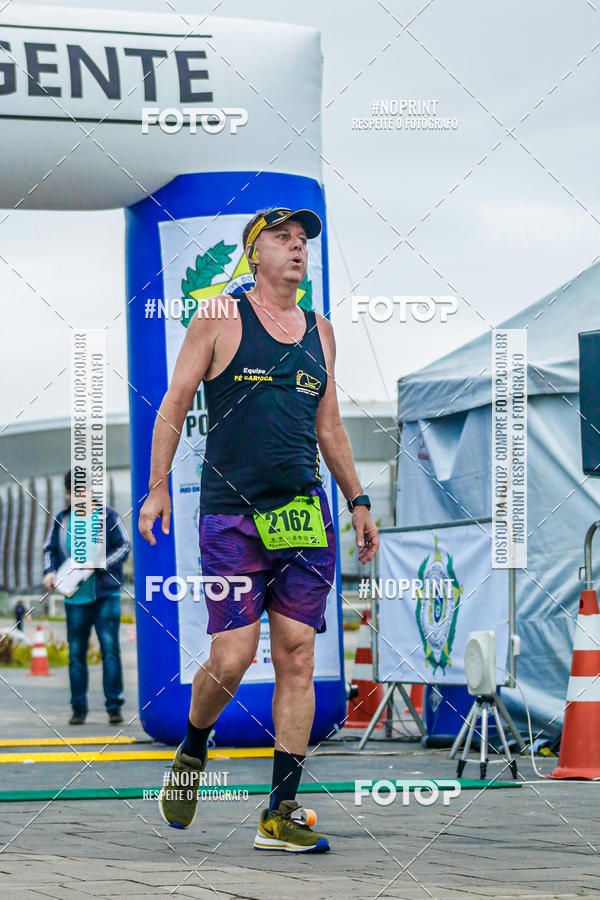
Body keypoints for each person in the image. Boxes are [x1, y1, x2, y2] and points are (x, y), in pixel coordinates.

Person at [138, 207, 379, 853]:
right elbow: (176, 401)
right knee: (234, 657)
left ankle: (281, 812)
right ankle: (193, 748)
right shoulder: (219, 317)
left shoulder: (321, 331)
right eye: (282, 238)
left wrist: (356, 498)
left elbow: (329, 423)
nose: (297, 247)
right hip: (231, 511)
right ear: (253, 255)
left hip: (302, 512)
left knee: (297, 650)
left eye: (302, 240)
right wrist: (158, 487)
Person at [43, 470, 131, 725]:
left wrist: (99, 563)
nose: (78, 497)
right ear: (68, 494)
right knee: (76, 654)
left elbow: (124, 546)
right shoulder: (61, 519)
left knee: (110, 650)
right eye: (73, 492)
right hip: (74, 598)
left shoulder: (108, 516)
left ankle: (114, 707)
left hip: (105, 594)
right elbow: (49, 549)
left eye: (83, 491)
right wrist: (50, 573)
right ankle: (78, 709)